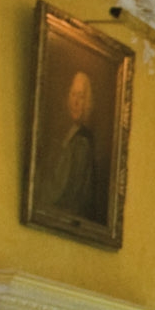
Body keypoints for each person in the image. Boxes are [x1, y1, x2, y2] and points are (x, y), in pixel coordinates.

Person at [47, 65, 103, 221]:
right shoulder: (64, 131)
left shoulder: (83, 142)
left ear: (87, 102)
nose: (76, 102)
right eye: (73, 95)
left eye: (81, 97)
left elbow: (68, 192)